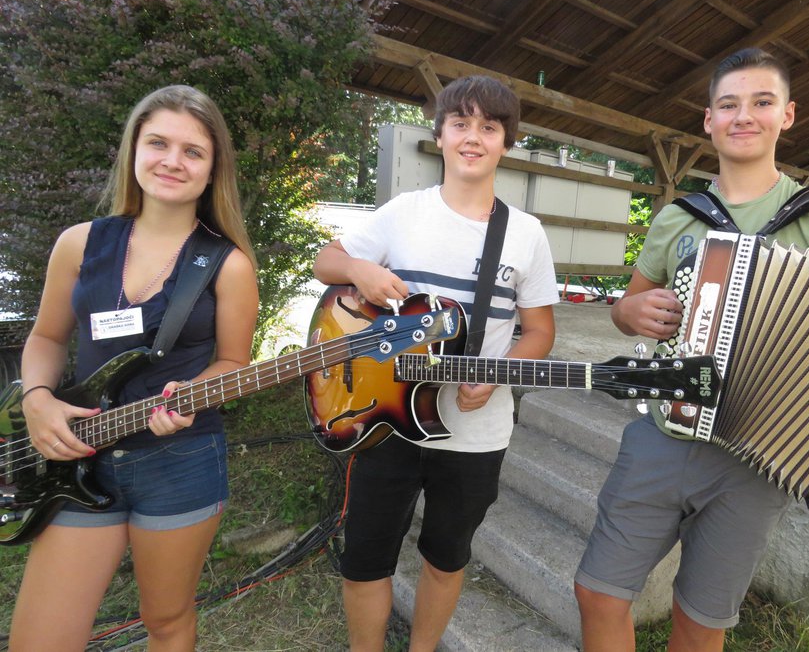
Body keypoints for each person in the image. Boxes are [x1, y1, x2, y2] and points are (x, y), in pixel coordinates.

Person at [573, 48, 809, 651]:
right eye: (729, 104)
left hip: (757, 455)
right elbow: (625, 312)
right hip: (663, 433)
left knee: (701, 621)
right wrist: (630, 311)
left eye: (762, 102)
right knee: (598, 592)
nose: (745, 116)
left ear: (786, 115)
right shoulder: (678, 217)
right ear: (708, 119)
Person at [313, 75, 558, 651]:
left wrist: (496, 375)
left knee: (447, 558)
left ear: (506, 143)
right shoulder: (403, 213)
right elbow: (328, 260)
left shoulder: (526, 234)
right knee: (366, 560)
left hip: (475, 434)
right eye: (461, 123)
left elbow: (540, 330)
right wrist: (359, 270)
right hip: (382, 420)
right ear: (440, 135)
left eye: (489, 127)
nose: (473, 137)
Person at [10, 85, 259, 651]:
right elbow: (47, 336)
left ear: (213, 167)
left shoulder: (228, 265)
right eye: (158, 143)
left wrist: (191, 395)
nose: (173, 161)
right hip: (81, 455)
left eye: (193, 151)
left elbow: (232, 362)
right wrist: (37, 399)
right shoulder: (79, 245)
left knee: (167, 622)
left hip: (181, 460)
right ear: (134, 150)